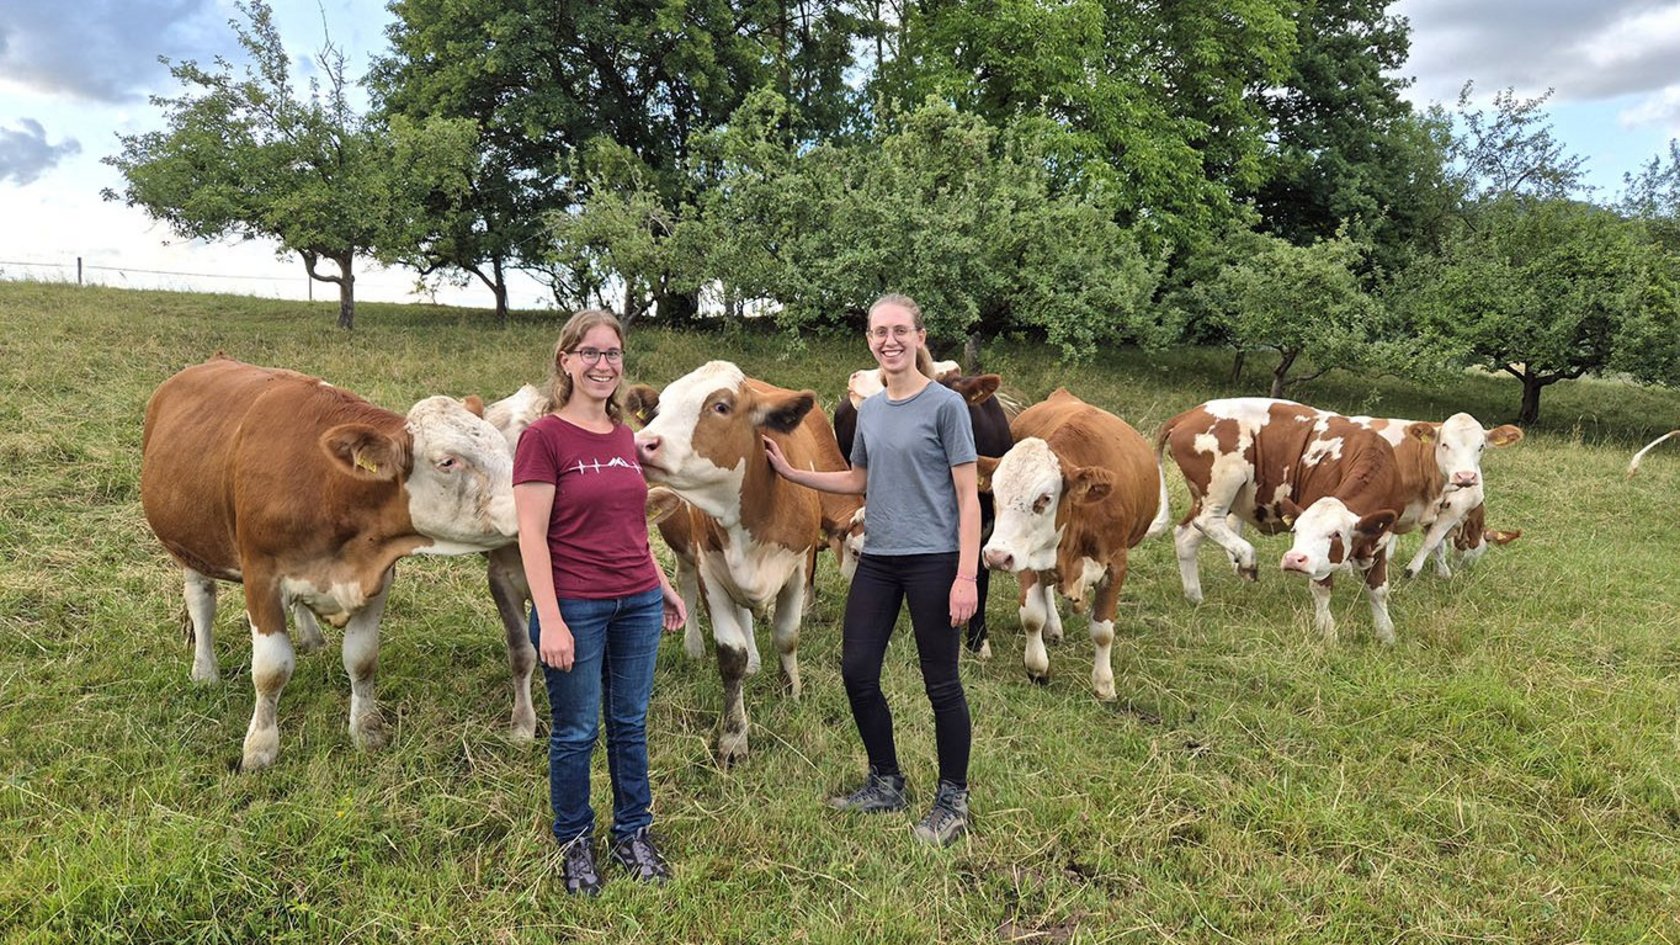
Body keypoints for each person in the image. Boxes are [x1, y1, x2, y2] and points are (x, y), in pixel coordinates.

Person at [763, 293, 981, 845]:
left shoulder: (945, 407)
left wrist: (965, 575)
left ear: (919, 337)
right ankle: (886, 780)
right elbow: (858, 480)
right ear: (869, 340)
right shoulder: (872, 410)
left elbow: (968, 495)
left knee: (942, 683)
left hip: (934, 560)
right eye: (880, 331)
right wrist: (792, 472)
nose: (890, 340)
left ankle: (953, 798)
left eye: (900, 330)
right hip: (879, 559)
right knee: (858, 671)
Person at [514, 309, 687, 895]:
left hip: (635, 600)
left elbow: (630, 525)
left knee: (630, 723)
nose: (603, 364)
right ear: (565, 361)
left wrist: (659, 583)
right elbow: (531, 536)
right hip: (576, 606)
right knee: (576, 731)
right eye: (589, 353)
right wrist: (552, 622)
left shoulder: (621, 437)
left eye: (612, 353)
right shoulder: (542, 439)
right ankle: (574, 842)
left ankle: (634, 833)